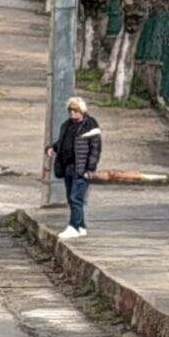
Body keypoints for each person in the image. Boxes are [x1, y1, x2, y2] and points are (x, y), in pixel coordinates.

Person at [50, 96, 101, 238]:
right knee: (71, 197)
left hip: (81, 168)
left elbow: (95, 149)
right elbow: (62, 141)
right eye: (70, 110)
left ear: (82, 111)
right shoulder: (67, 125)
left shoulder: (90, 126)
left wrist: (90, 168)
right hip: (68, 166)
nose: (72, 113)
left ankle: (73, 226)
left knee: (75, 197)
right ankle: (81, 226)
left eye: (75, 110)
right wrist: (52, 148)